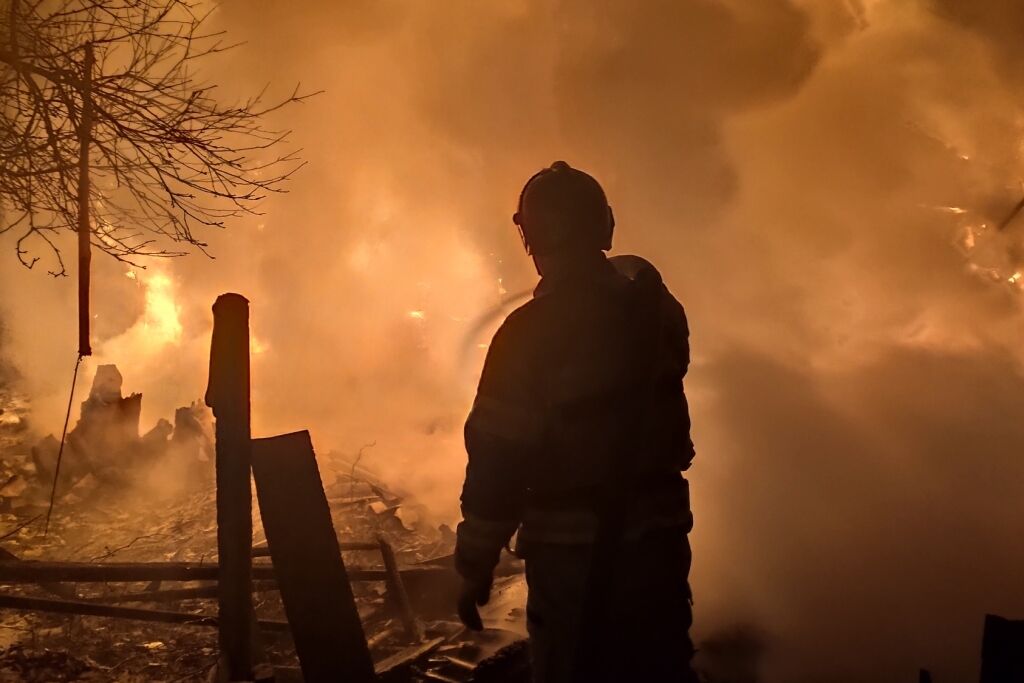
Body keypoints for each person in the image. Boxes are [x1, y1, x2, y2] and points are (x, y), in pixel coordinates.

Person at [454, 161, 699, 682]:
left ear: (530, 237)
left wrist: (475, 560)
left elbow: (497, 458)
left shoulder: (527, 335)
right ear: (606, 225)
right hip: (660, 542)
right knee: (661, 667)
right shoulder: (657, 309)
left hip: (572, 557)